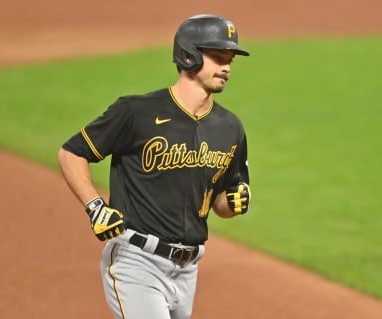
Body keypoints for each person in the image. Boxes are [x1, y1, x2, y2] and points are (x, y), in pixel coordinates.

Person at [57, 13, 252, 319]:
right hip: (137, 262)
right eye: (217, 57)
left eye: (230, 59)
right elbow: (71, 153)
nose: (226, 67)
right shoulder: (137, 112)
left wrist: (236, 200)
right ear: (188, 55)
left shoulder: (230, 128)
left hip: (188, 271)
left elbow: (221, 204)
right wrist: (95, 206)